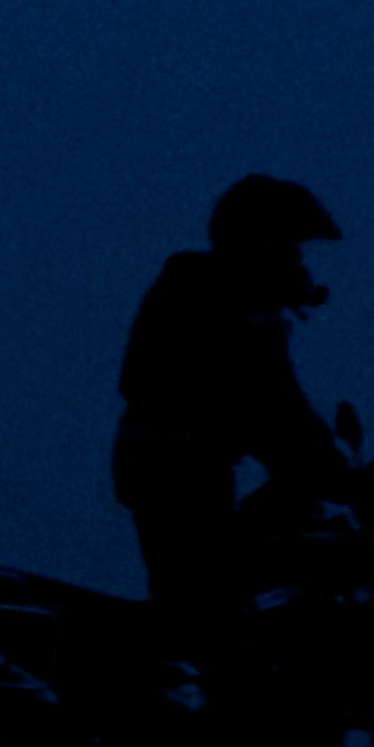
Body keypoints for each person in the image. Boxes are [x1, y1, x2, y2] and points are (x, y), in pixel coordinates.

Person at [112, 176, 354, 623]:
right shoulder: (225, 298)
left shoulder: (216, 291)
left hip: (181, 465)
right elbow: (272, 403)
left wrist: (317, 470)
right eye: (290, 245)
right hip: (175, 471)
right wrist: (339, 476)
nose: (298, 260)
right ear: (261, 240)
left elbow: (266, 408)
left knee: (231, 586)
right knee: (209, 608)